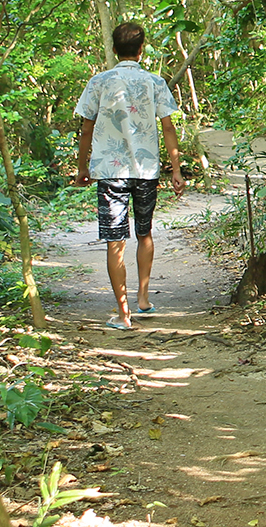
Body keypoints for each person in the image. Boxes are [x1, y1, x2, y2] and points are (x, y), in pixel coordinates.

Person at [73, 21, 185, 329]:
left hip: (111, 172)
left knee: (115, 241)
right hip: (146, 170)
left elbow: (86, 128)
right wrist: (175, 170)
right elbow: (168, 127)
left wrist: (83, 168)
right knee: (145, 233)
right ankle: (144, 299)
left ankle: (124, 315)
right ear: (141, 49)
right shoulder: (154, 82)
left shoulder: (99, 81)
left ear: (113, 49)